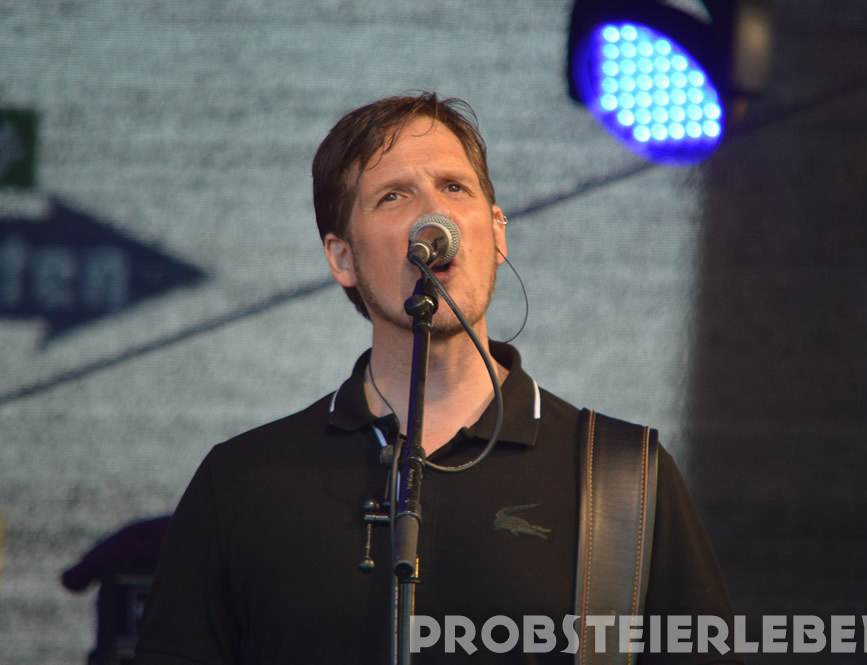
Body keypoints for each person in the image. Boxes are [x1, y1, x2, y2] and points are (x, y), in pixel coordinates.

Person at [135, 92, 743, 664]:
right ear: (342, 258)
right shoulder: (242, 482)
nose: (434, 213)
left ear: (497, 232)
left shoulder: (623, 478)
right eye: (393, 196)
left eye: (454, 187)